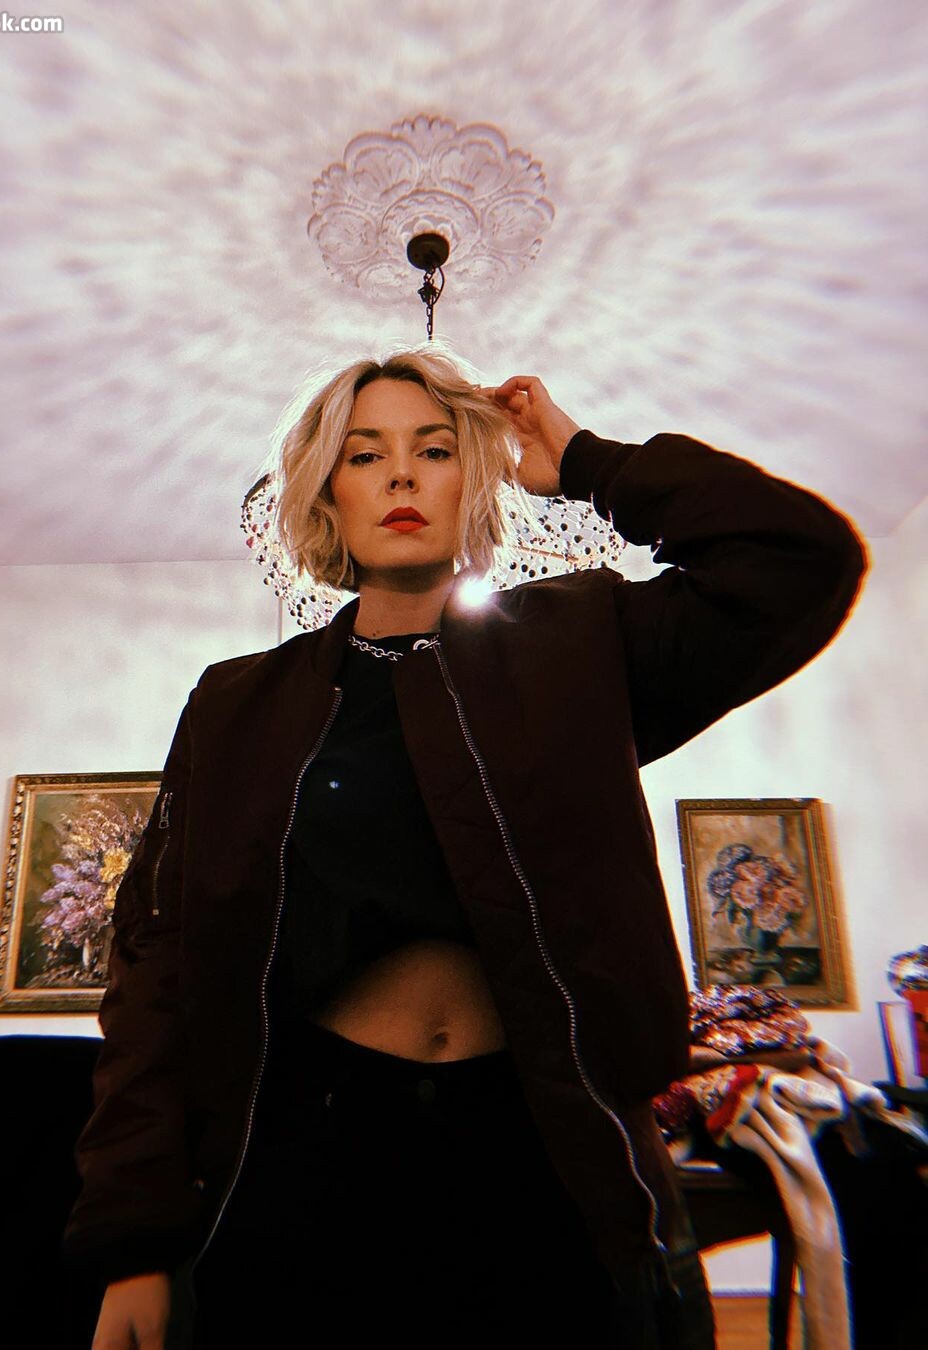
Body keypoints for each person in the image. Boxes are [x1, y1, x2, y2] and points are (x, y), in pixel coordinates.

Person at [61, 346, 868, 1348]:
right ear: (328, 494)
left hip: (544, 1151)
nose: (401, 475)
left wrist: (584, 459)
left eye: (435, 449)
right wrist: (132, 1238)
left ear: (473, 479)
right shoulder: (239, 703)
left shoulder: (578, 646)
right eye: (366, 455)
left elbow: (801, 560)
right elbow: (158, 960)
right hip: (310, 1149)